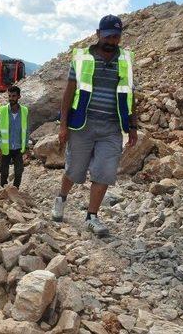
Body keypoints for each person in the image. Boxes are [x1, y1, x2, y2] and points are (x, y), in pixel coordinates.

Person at [53, 14, 138, 236]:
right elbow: (68, 93)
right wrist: (63, 126)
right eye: (108, 36)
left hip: (112, 127)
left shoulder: (125, 60)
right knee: (75, 170)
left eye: (116, 37)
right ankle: (61, 198)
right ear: (98, 34)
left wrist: (133, 126)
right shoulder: (82, 58)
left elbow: (131, 94)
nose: (112, 41)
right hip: (82, 124)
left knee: (105, 171)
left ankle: (92, 216)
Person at [0, 86, 30, 189]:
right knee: (3, 172)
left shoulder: (25, 111)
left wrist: (27, 147)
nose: (11, 98)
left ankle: (15, 189)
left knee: (19, 171)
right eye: (9, 96)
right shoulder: (2, 111)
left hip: (18, 148)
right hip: (5, 148)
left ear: (19, 96)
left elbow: (26, 130)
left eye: (14, 96)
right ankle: (3, 190)